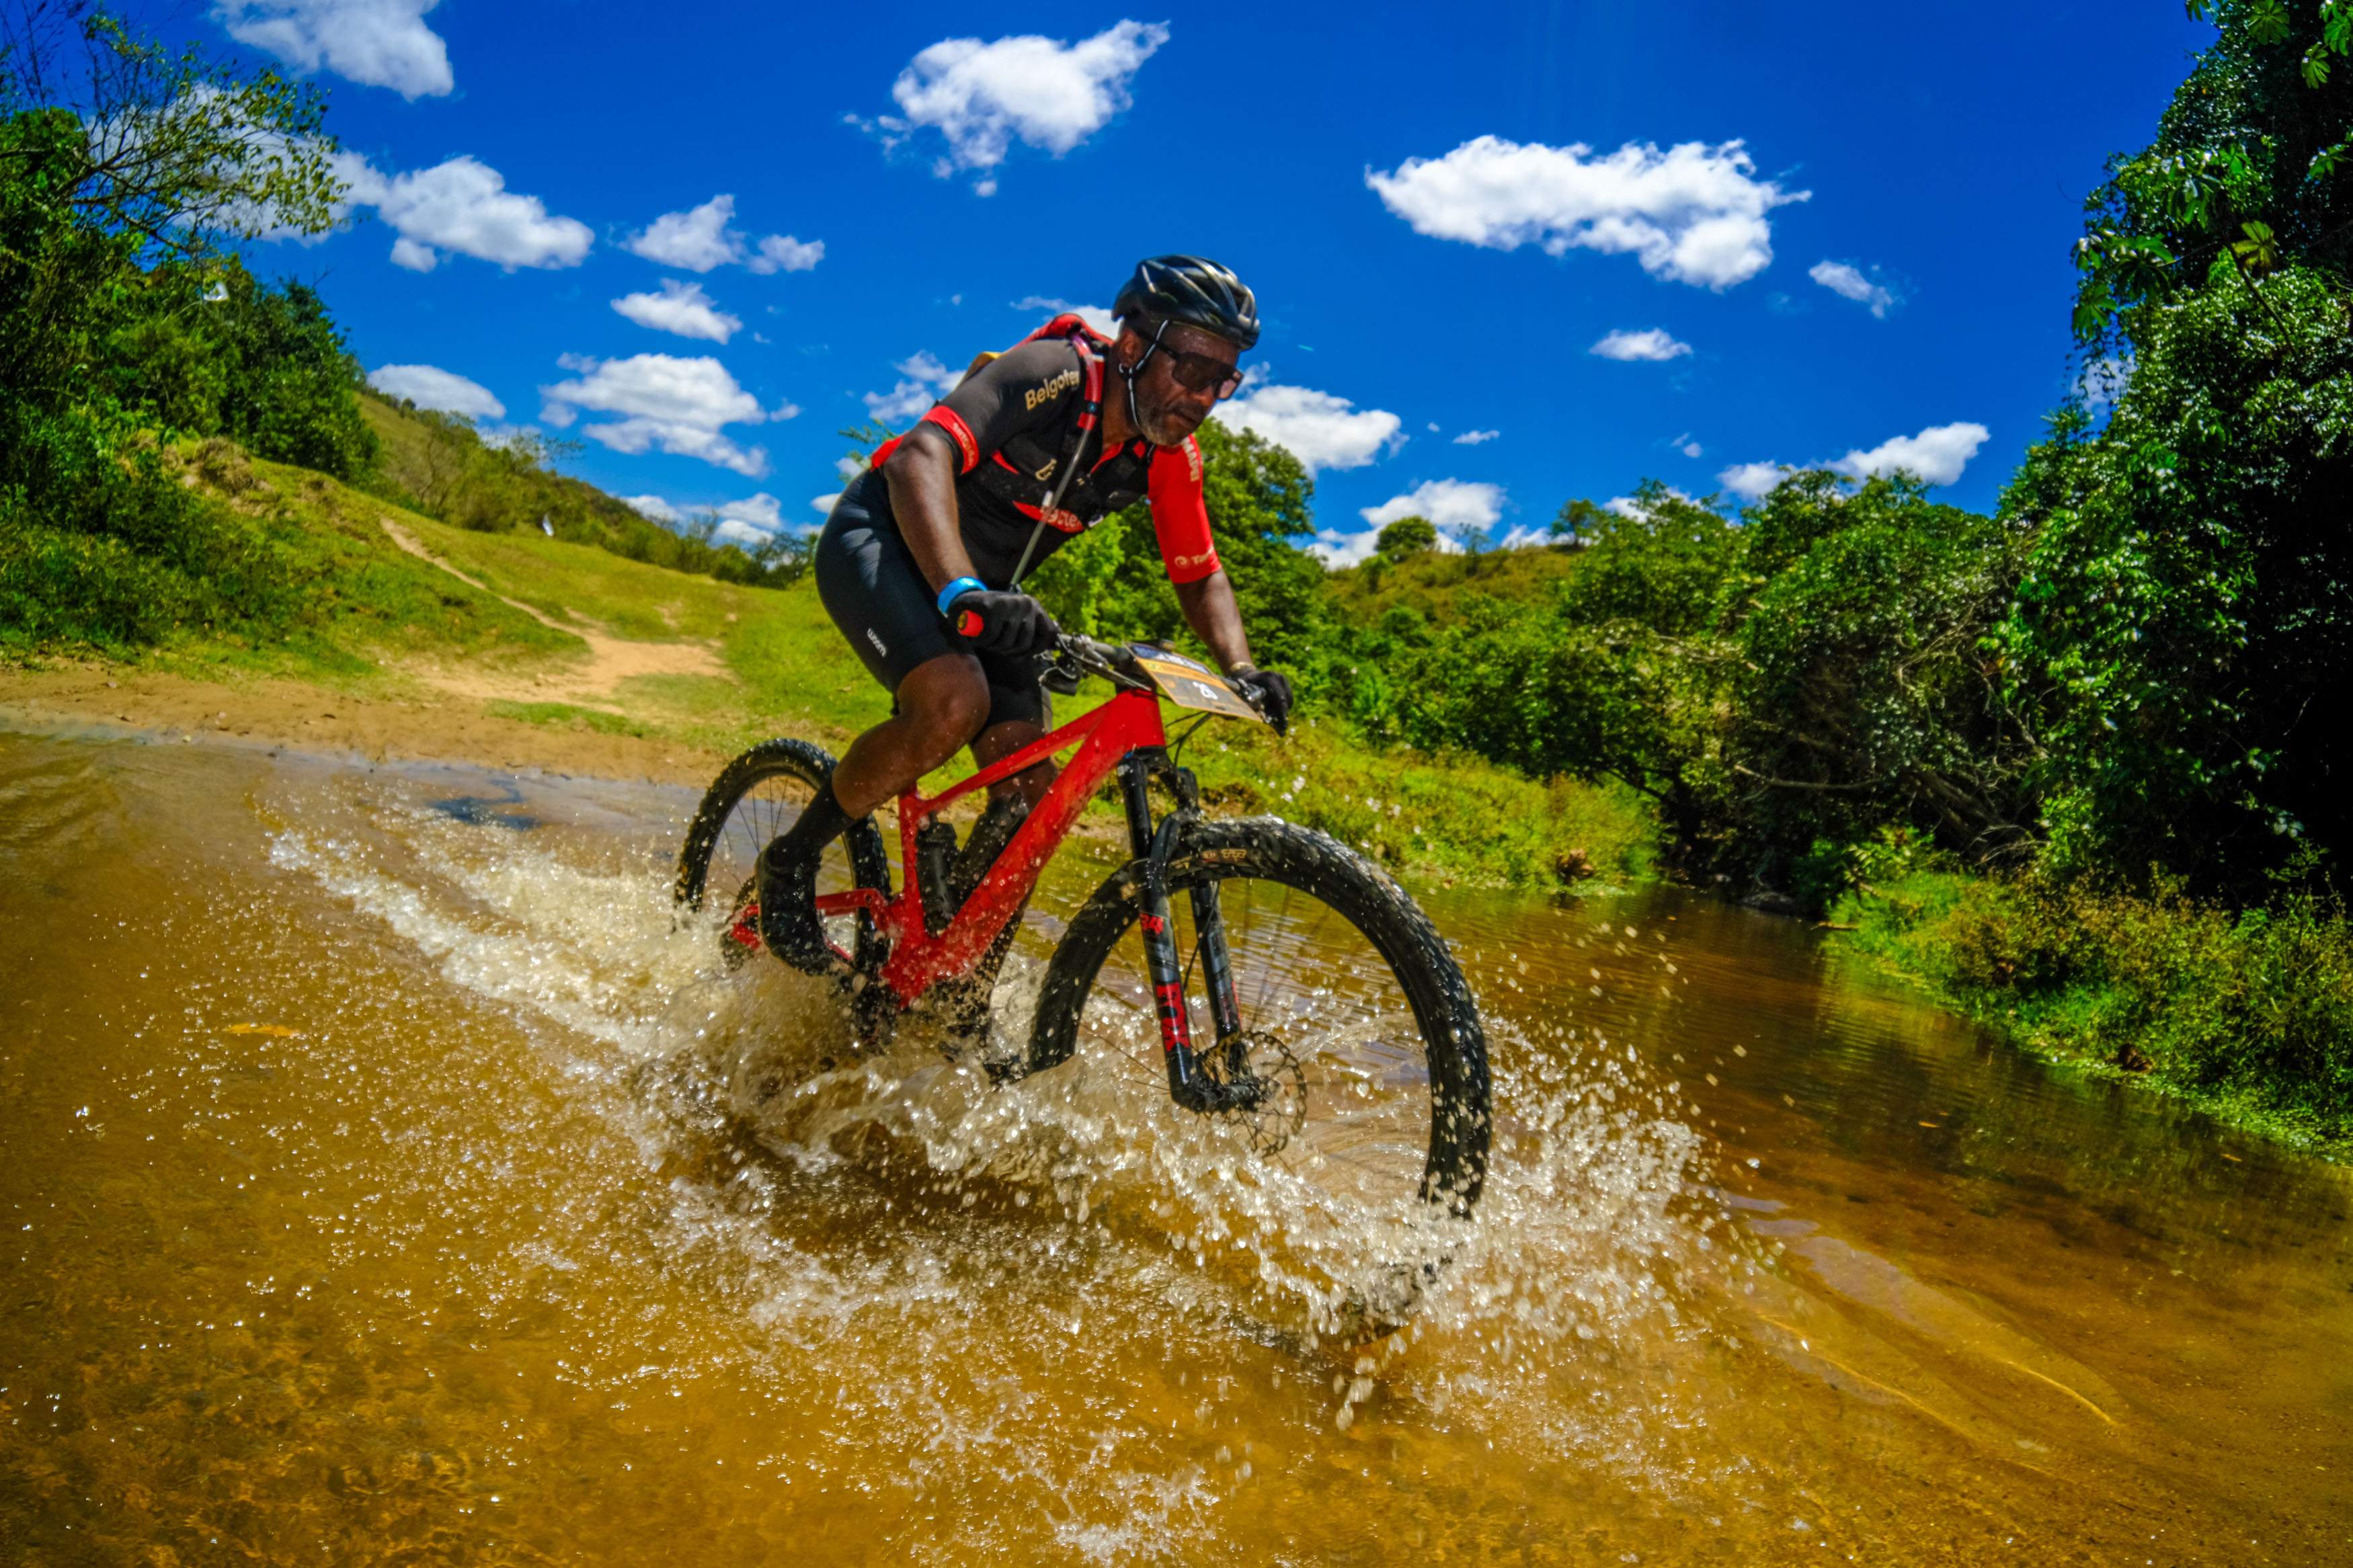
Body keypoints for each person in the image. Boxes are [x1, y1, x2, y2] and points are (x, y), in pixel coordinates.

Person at [757, 255, 1294, 973]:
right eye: (1193, 372)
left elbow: (1200, 577)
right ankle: (789, 861)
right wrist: (958, 592)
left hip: (987, 592)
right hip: (885, 538)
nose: (1203, 398)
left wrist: (1243, 667)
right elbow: (920, 454)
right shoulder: (1055, 372)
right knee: (952, 703)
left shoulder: (1167, 452)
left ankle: (954, 981)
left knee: (1032, 801)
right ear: (1134, 346)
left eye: (1223, 381)